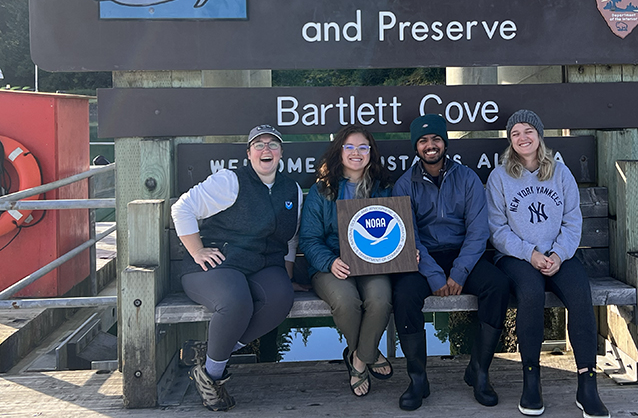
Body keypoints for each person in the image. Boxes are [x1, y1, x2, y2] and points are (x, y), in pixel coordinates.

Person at [486, 110, 610, 418]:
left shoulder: (560, 173)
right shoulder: (499, 176)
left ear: (540, 135)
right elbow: (497, 230)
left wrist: (558, 254)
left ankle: (587, 384)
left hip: (559, 255)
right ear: (510, 141)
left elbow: (572, 221)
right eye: (515, 133)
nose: (522, 138)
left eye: (528, 131)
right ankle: (531, 382)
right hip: (517, 257)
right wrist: (530, 254)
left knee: (580, 294)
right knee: (529, 294)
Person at [171, 125, 302, 412]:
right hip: (217, 265)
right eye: (259, 144)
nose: (266, 150)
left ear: (281, 152)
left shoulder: (290, 189)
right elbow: (182, 208)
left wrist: (288, 275)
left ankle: (213, 356)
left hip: (263, 264)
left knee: (280, 299)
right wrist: (197, 250)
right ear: (249, 153)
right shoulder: (230, 181)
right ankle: (212, 378)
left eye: (273, 144)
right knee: (235, 300)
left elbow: (290, 238)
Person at [391, 114, 510, 411]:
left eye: (436, 139)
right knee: (404, 294)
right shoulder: (404, 184)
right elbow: (409, 235)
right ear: (416, 147)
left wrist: (459, 271)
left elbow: (478, 231)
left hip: (463, 255)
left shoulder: (467, 178)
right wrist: (433, 275)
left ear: (445, 143)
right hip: (424, 258)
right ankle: (418, 378)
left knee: (497, 285)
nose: (430, 146)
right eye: (423, 141)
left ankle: (479, 372)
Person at [299, 125, 395, 397]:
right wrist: (330, 262)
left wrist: (406, 249)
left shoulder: (383, 188)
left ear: (371, 153)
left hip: (371, 263)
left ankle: (357, 360)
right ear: (339, 152)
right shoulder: (322, 191)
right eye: (350, 147)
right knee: (346, 301)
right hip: (330, 265)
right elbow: (309, 239)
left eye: (363, 147)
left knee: (380, 299)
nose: (356, 153)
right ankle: (369, 352)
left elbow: (395, 229)